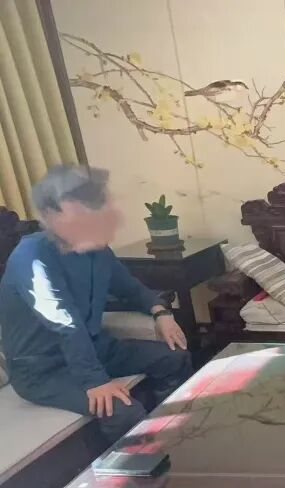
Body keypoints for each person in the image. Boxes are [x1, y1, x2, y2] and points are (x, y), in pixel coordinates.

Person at [0, 165, 193, 443]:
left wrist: (160, 311)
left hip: (97, 348)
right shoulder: (32, 256)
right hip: (42, 370)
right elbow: (64, 323)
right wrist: (95, 381)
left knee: (174, 359)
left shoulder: (96, 249)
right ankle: (136, 467)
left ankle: (178, 435)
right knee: (121, 411)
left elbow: (130, 288)